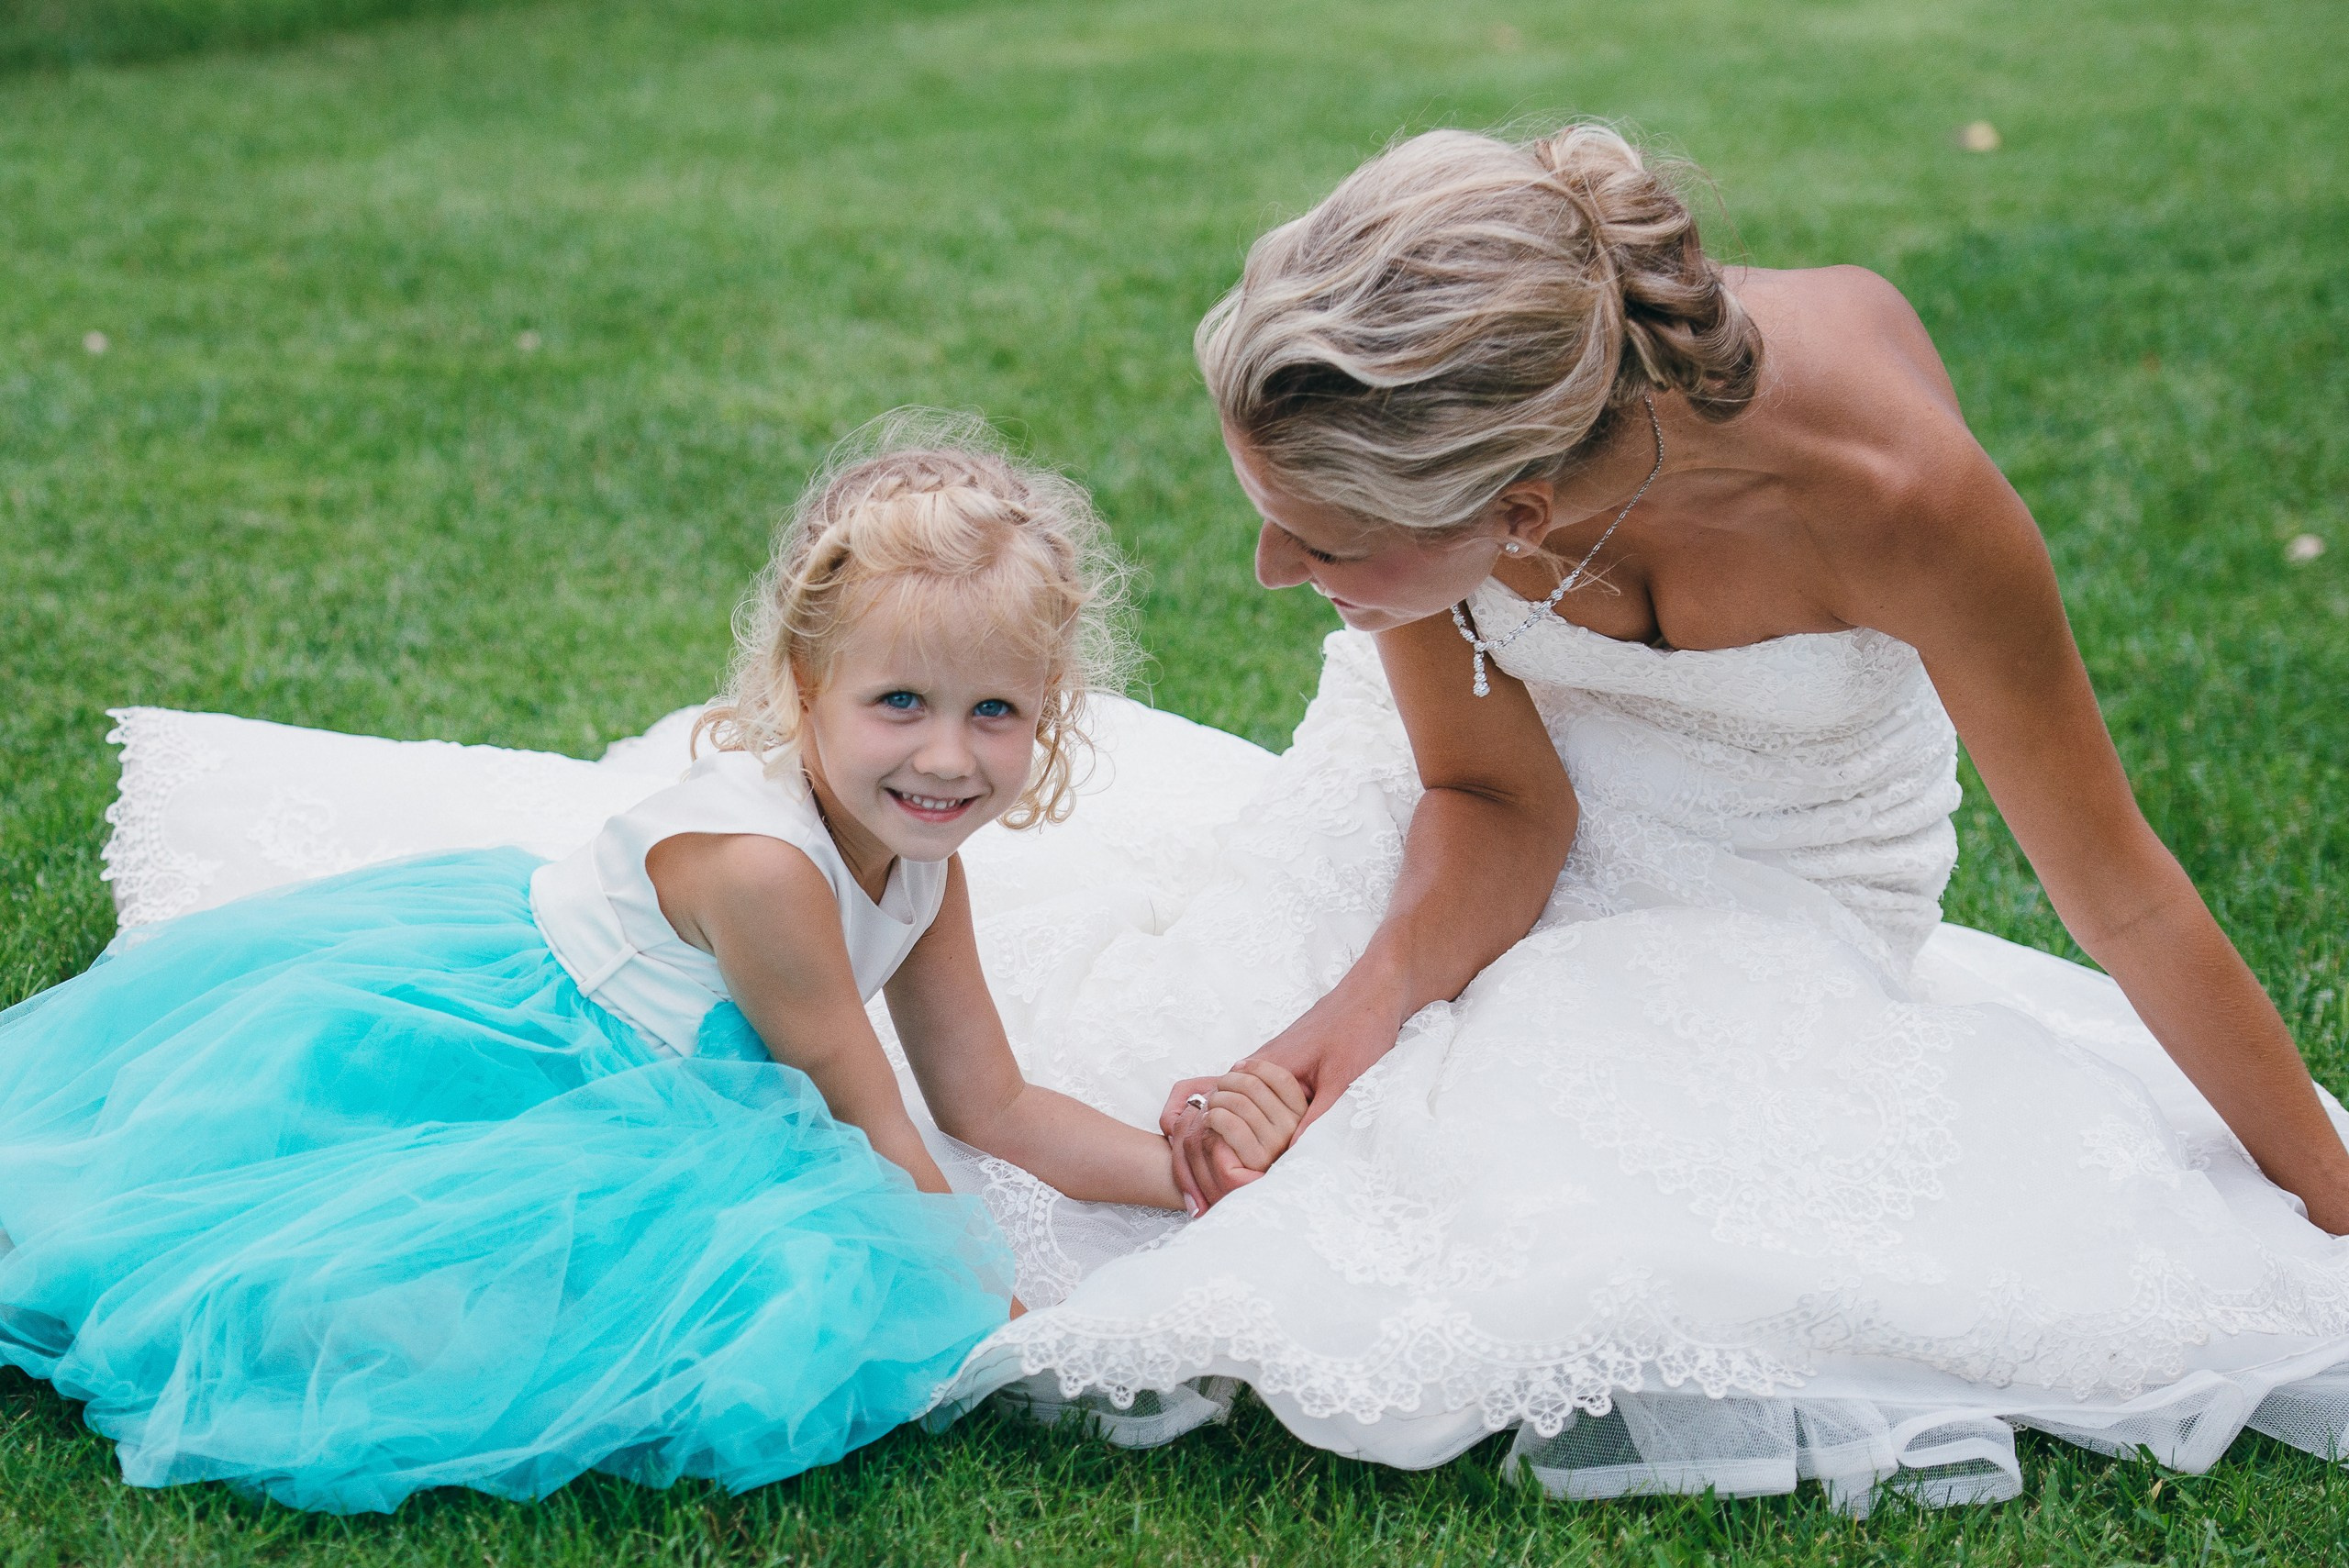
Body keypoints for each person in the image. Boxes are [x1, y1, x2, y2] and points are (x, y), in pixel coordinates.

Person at [943, 124, 2349, 1508]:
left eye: (1323, 542)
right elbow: (1489, 793)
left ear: (1526, 515)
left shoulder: (1898, 499)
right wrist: (1347, 1027)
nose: (1269, 569)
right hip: (1476, 798)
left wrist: (2331, 1206)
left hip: (1778, 870)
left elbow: (2124, 894)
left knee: (1616, 1199)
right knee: (1194, 1055)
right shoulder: (1446, 450)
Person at [0, 412, 1304, 1514]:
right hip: (552, 1055)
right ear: (808, 681)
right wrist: (1003, 1315)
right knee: (420, 1289)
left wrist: (1175, 1170)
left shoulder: (927, 860)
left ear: (1048, 713)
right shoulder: (767, 869)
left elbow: (987, 1104)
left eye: (995, 713)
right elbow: (869, 1117)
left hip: (699, 1074)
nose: (948, 758)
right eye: (899, 702)